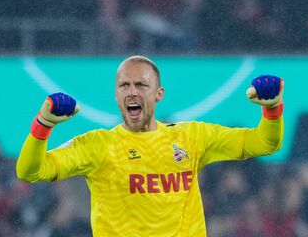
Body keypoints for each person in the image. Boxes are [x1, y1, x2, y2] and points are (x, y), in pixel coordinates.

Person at [16, 55, 285, 236]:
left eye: (141, 85)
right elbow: (30, 171)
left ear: (158, 94)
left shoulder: (192, 137)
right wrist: (43, 124)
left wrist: (272, 109)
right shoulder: (98, 145)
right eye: (124, 85)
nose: (132, 91)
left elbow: (264, 143)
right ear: (116, 94)